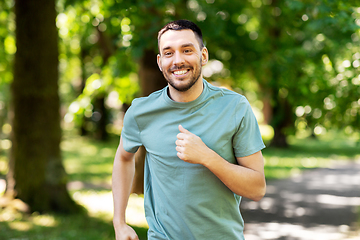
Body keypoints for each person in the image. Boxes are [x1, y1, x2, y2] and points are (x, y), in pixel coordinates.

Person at [112, 19, 266, 240]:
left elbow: (257, 188)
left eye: (187, 50)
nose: (178, 60)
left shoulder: (234, 107)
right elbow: (124, 158)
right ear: (159, 61)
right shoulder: (141, 112)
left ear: (203, 56)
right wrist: (119, 222)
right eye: (168, 53)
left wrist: (207, 157)